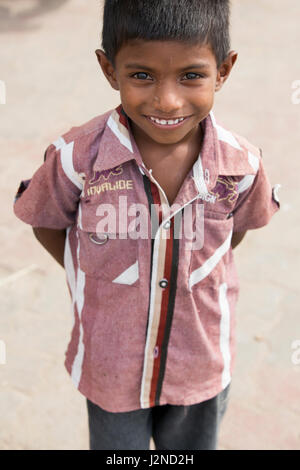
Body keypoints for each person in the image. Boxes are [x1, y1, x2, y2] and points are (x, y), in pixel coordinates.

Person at [13, 0, 280, 450]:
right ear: (109, 68)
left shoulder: (241, 165)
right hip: (111, 366)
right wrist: (94, 272)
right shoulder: (77, 158)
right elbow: (46, 222)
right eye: (142, 75)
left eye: (192, 76)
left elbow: (236, 232)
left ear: (224, 70)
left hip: (200, 362)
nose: (167, 100)